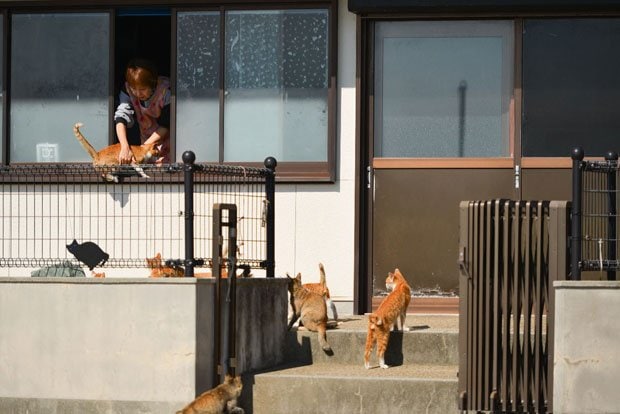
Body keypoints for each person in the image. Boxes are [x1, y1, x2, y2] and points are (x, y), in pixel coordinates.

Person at [114, 58, 171, 164]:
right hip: (145, 139)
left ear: (152, 83)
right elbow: (121, 117)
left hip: (167, 141)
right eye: (133, 89)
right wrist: (124, 146)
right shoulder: (127, 90)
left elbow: (166, 124)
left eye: (142, 89)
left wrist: (142, 148)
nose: (137, 94)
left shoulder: (165, 91)